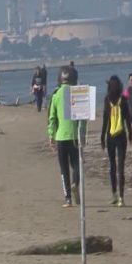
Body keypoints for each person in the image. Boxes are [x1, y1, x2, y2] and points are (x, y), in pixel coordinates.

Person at [47, 66, 86, 207]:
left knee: (63, 169)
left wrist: (51, 135)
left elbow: (51, 118)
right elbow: (83, 118)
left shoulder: (56, 95)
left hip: (60, 136)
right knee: (76, 165)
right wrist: (83, 135)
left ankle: (68, 198)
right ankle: (75, 183)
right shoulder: (77, 93)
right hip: (74, 136)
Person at [101, 75, 132, 207]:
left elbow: (105, 121)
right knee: (121, 167)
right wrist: (130, 134)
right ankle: (121, 198)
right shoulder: (124, 100)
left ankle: (114, 195)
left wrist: (102, 137)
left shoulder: (106, 100)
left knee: (112, 167)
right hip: (121, 136)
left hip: (110, 136)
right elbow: (127, 119)